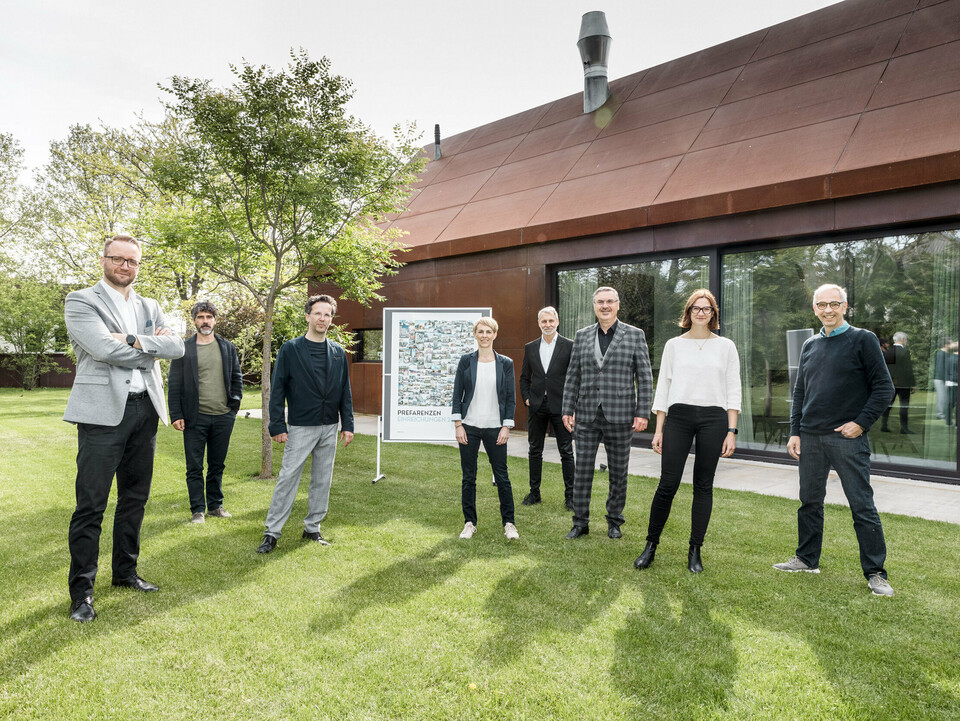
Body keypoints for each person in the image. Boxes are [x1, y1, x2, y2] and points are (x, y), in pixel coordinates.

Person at [63, 234, 185, 623]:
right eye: (118, 259)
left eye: (132, 261)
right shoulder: (81, 300)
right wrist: (151, 347)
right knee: (91, 505)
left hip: (145, 410)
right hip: (101, 415)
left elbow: (178, 348)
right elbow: (102, 349)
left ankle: (125, 573)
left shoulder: (150, 305)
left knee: (134, 499)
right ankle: (82, 594)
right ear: (104, 260)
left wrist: (132, 338)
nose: (125, 267)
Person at [774, 284, 896, 597]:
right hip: (811, 438)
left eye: (834, 304)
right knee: (809, 502)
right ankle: (806, 559)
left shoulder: (863, 339)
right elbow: (800, 392)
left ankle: (876, 573)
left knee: (862, 506)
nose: (828, 310)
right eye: (821, 305)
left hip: (847, 439)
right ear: (814, 308)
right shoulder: (810, 345)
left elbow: (884, 388)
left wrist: (861, 423)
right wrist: (795, 431)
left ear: (845, 306)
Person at [633, 289, 740, 573]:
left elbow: (733, 389)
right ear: (688, 312)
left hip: (714, 418)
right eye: (696, 308)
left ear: (713, 314)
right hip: (678, 417)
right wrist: (659, 429)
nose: (701, 313)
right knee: (667, 484)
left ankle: (695, 550)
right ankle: (650, 545)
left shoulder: (726, 346)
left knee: (703, 486)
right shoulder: (674, 345)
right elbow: (664, 388)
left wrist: (731, 430)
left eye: (707, 309)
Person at [256, 294, 354, 553]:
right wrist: (277, 425)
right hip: (300, 426)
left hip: (329, 426)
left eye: (328, 314)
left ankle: (313, 528)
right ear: (308, 316)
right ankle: (271, 533)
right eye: (318, 313)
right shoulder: (290, 349)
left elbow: (345, 391)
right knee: (288, 478)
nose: (323, 318)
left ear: (331, 320)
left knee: (322, 480)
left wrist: (348, 425)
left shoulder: (337, 352)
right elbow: (277, 389)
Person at [562, 286, 653, 540]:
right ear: (594, 306)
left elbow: (644, 377)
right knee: (582, 472)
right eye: (600, 301)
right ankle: (580, 522)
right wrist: (567, 409)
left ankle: (614, 521)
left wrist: (642, 411)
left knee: (618, 472)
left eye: (610, 301)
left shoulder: (635, 335)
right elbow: (573, 375)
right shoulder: (581, 336)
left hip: (621, 414)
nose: (605, 306)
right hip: (587, 413)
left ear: (617, 305)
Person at [168, 301, 243, 524]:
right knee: (194, 466)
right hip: (194, 417)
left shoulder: (227, 347)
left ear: (215, 320)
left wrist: (234, 406)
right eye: (201, 317)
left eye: (209, 317)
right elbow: (174, 385)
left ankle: (216, 506)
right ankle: (197, 510)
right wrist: (176, 414)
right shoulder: (184, 349)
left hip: (223, 416)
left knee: (217, 465)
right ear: (195, 321)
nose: (205, 321)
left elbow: (236, 377)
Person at [451, 316, 519, 540]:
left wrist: (506, 426)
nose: (484, 335)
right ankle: (469, 523)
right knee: (468, 477)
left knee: (502, 477)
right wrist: (458, 424)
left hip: (495, 428)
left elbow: (510, 397)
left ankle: (509, 524)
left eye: (488, 332)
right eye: (480, 331)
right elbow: (457, 394)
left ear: (495, 334)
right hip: (469, 427)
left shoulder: (506, 363)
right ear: (475, 334)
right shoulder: (466, 361)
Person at [519, 306, 575, 509]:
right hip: (536, 407)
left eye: (551, 321)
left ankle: (571, 497)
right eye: (544, 321)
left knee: (566, 452)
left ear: (557, 322)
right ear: (539, 323)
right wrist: (527, 398)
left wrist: (572, 406)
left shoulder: (570, 346)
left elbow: (575, 378)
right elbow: (524, 378)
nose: (548, 325)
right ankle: (534, 493)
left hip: (562, 407)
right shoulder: (530, 347)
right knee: (534, 450)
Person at [880, 331, 916, 434]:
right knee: (904, 406)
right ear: (903, 339)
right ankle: (904, 428)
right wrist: (912, 383)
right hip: (903, 383)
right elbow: (908, 369)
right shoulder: (904, 352)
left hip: (891, 382)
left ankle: (884, 425)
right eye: (906, 339)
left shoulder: (888, 352)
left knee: (888, 405)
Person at [934, 339, 958, 426]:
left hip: (943, 378)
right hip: (940, 378)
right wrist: (946, 381)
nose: (952, 344)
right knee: (942, 397)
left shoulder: (946, 354)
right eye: (951, 343)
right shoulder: (941, 354)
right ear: (946, 345)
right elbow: (941, 369)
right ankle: (940, 414)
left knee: (945, 397)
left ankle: (943, 414)